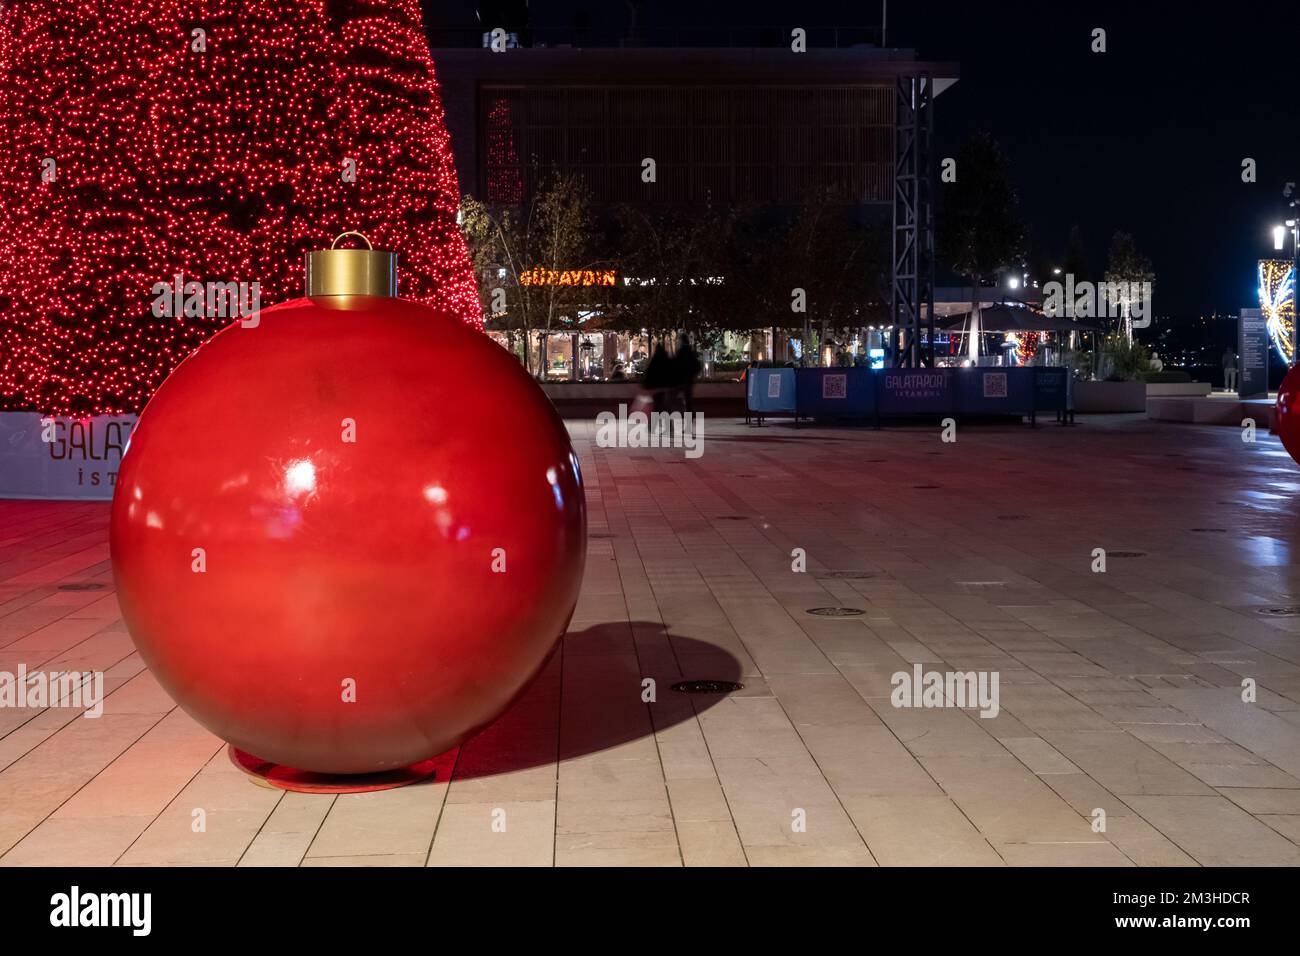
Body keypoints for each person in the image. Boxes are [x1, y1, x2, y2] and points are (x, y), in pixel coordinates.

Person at [671, 334, 701, 418]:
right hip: (688, 380)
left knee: (673, 398)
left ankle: (680, 413)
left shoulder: (681, 352)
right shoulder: (690, 352)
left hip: (681, 380)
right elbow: (697, 366)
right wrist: (692, 375)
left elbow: (676, 365)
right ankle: (689, 415)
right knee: (687, 399)